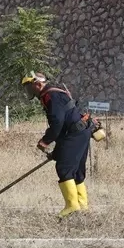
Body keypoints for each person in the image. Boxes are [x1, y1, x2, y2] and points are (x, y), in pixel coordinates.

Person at [20, 72, 101, 219]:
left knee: (64, 168)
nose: (29, 91)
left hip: (74, 134)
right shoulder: (54, 94)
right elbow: (62, 127)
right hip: (80, 132)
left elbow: (57, 122)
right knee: (75, 170)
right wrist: (57, 152)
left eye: (30, 87)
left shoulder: (50, 96)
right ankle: (82, 206)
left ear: (38, 84)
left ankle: (72, 206)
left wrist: (45, 141)